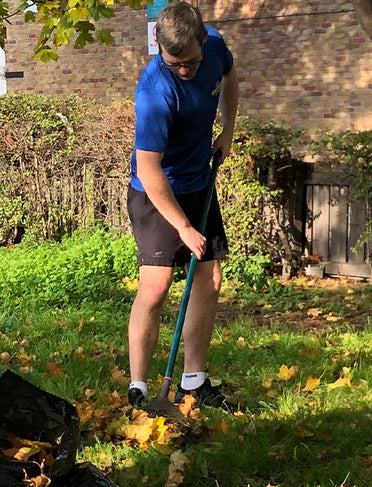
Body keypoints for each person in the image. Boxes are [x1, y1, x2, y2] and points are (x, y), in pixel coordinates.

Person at [126, 1, 239, 410]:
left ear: (203, 41)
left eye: (190, 62)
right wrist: (184, 228)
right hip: (156, 194)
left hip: (197, 184)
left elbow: (229, 75)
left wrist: (227, 127)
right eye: (174, 64)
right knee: (155, 288)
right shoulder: (155, 92)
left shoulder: (216, 48)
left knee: (208, 279)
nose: (184, 71)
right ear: (158, 45)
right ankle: (138, 388)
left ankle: (193, 380)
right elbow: (149, 170)